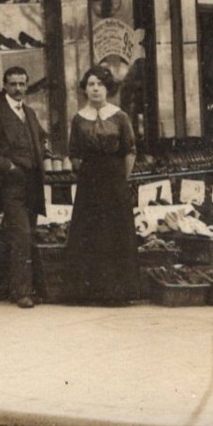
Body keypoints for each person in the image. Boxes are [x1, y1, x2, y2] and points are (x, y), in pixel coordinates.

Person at [60, 65, 141, 306]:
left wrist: (119, 179)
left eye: (100, 84)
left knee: (115, 232)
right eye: (91, 84)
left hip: (114, 179)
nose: (95, 89)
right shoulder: (78, 119)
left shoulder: (120, 116)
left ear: (108, 88)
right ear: (85, 89)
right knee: (89, 232)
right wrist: (87, 172)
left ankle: (117, 292)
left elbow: (130, 151)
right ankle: (87, 291)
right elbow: (74, 152)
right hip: (89, 182)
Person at [0, 65, 49, 308]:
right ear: (4, 86)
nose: (18, 89)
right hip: (10, 185)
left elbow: (40, 137)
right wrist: (9, 167)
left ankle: (30, 288)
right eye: (13, 84)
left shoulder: (30, 113)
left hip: (32, 183)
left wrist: (44, 152)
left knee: (29, 234)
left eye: (22, 84)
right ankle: (21, 292)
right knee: (21, 234)